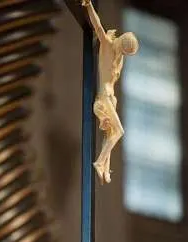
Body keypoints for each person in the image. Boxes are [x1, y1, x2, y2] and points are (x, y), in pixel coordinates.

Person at [81, 0, 139, 184]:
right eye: (124, 49)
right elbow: (97, 26)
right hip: (104, 96)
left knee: (110, 134)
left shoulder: (118, 57)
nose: (123, 53)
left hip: (111, 98)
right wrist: (89, 5)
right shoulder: (106, 45)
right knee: (119, 131)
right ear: (121, 42)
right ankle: (99, 162)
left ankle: (105, 167)